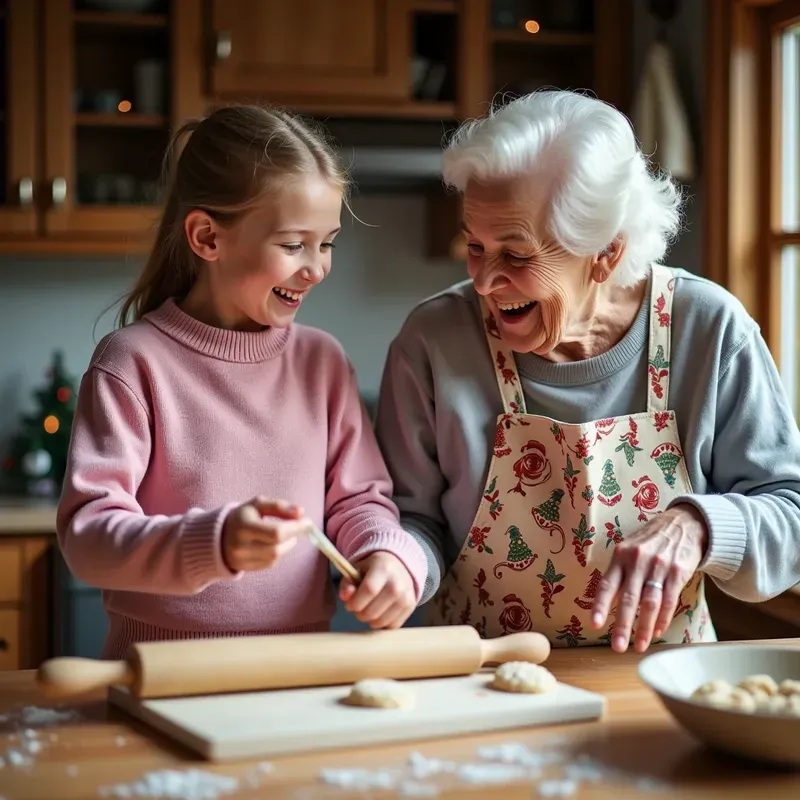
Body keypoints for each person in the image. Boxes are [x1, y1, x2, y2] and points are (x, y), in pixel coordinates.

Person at [375, 90, 800, 654]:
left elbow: (791, 511)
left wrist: (700, 525)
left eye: (517, 255)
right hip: (479, 687)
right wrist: (396, 563)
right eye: (475, 246)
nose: (483, 281)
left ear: (604, 252)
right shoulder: (433, 341)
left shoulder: (708, 328)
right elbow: (411, 520)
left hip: (659, 685)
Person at [57, 104, 427, 659]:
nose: (317, 267)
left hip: (295, 671)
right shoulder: (132, 364)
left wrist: (388, 555)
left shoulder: (322, 362)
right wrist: (215, 544)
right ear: (207, 237)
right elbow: (88, 538)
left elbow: (359, 500)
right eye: (292, 244)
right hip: (161, 670)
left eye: (326, 242)